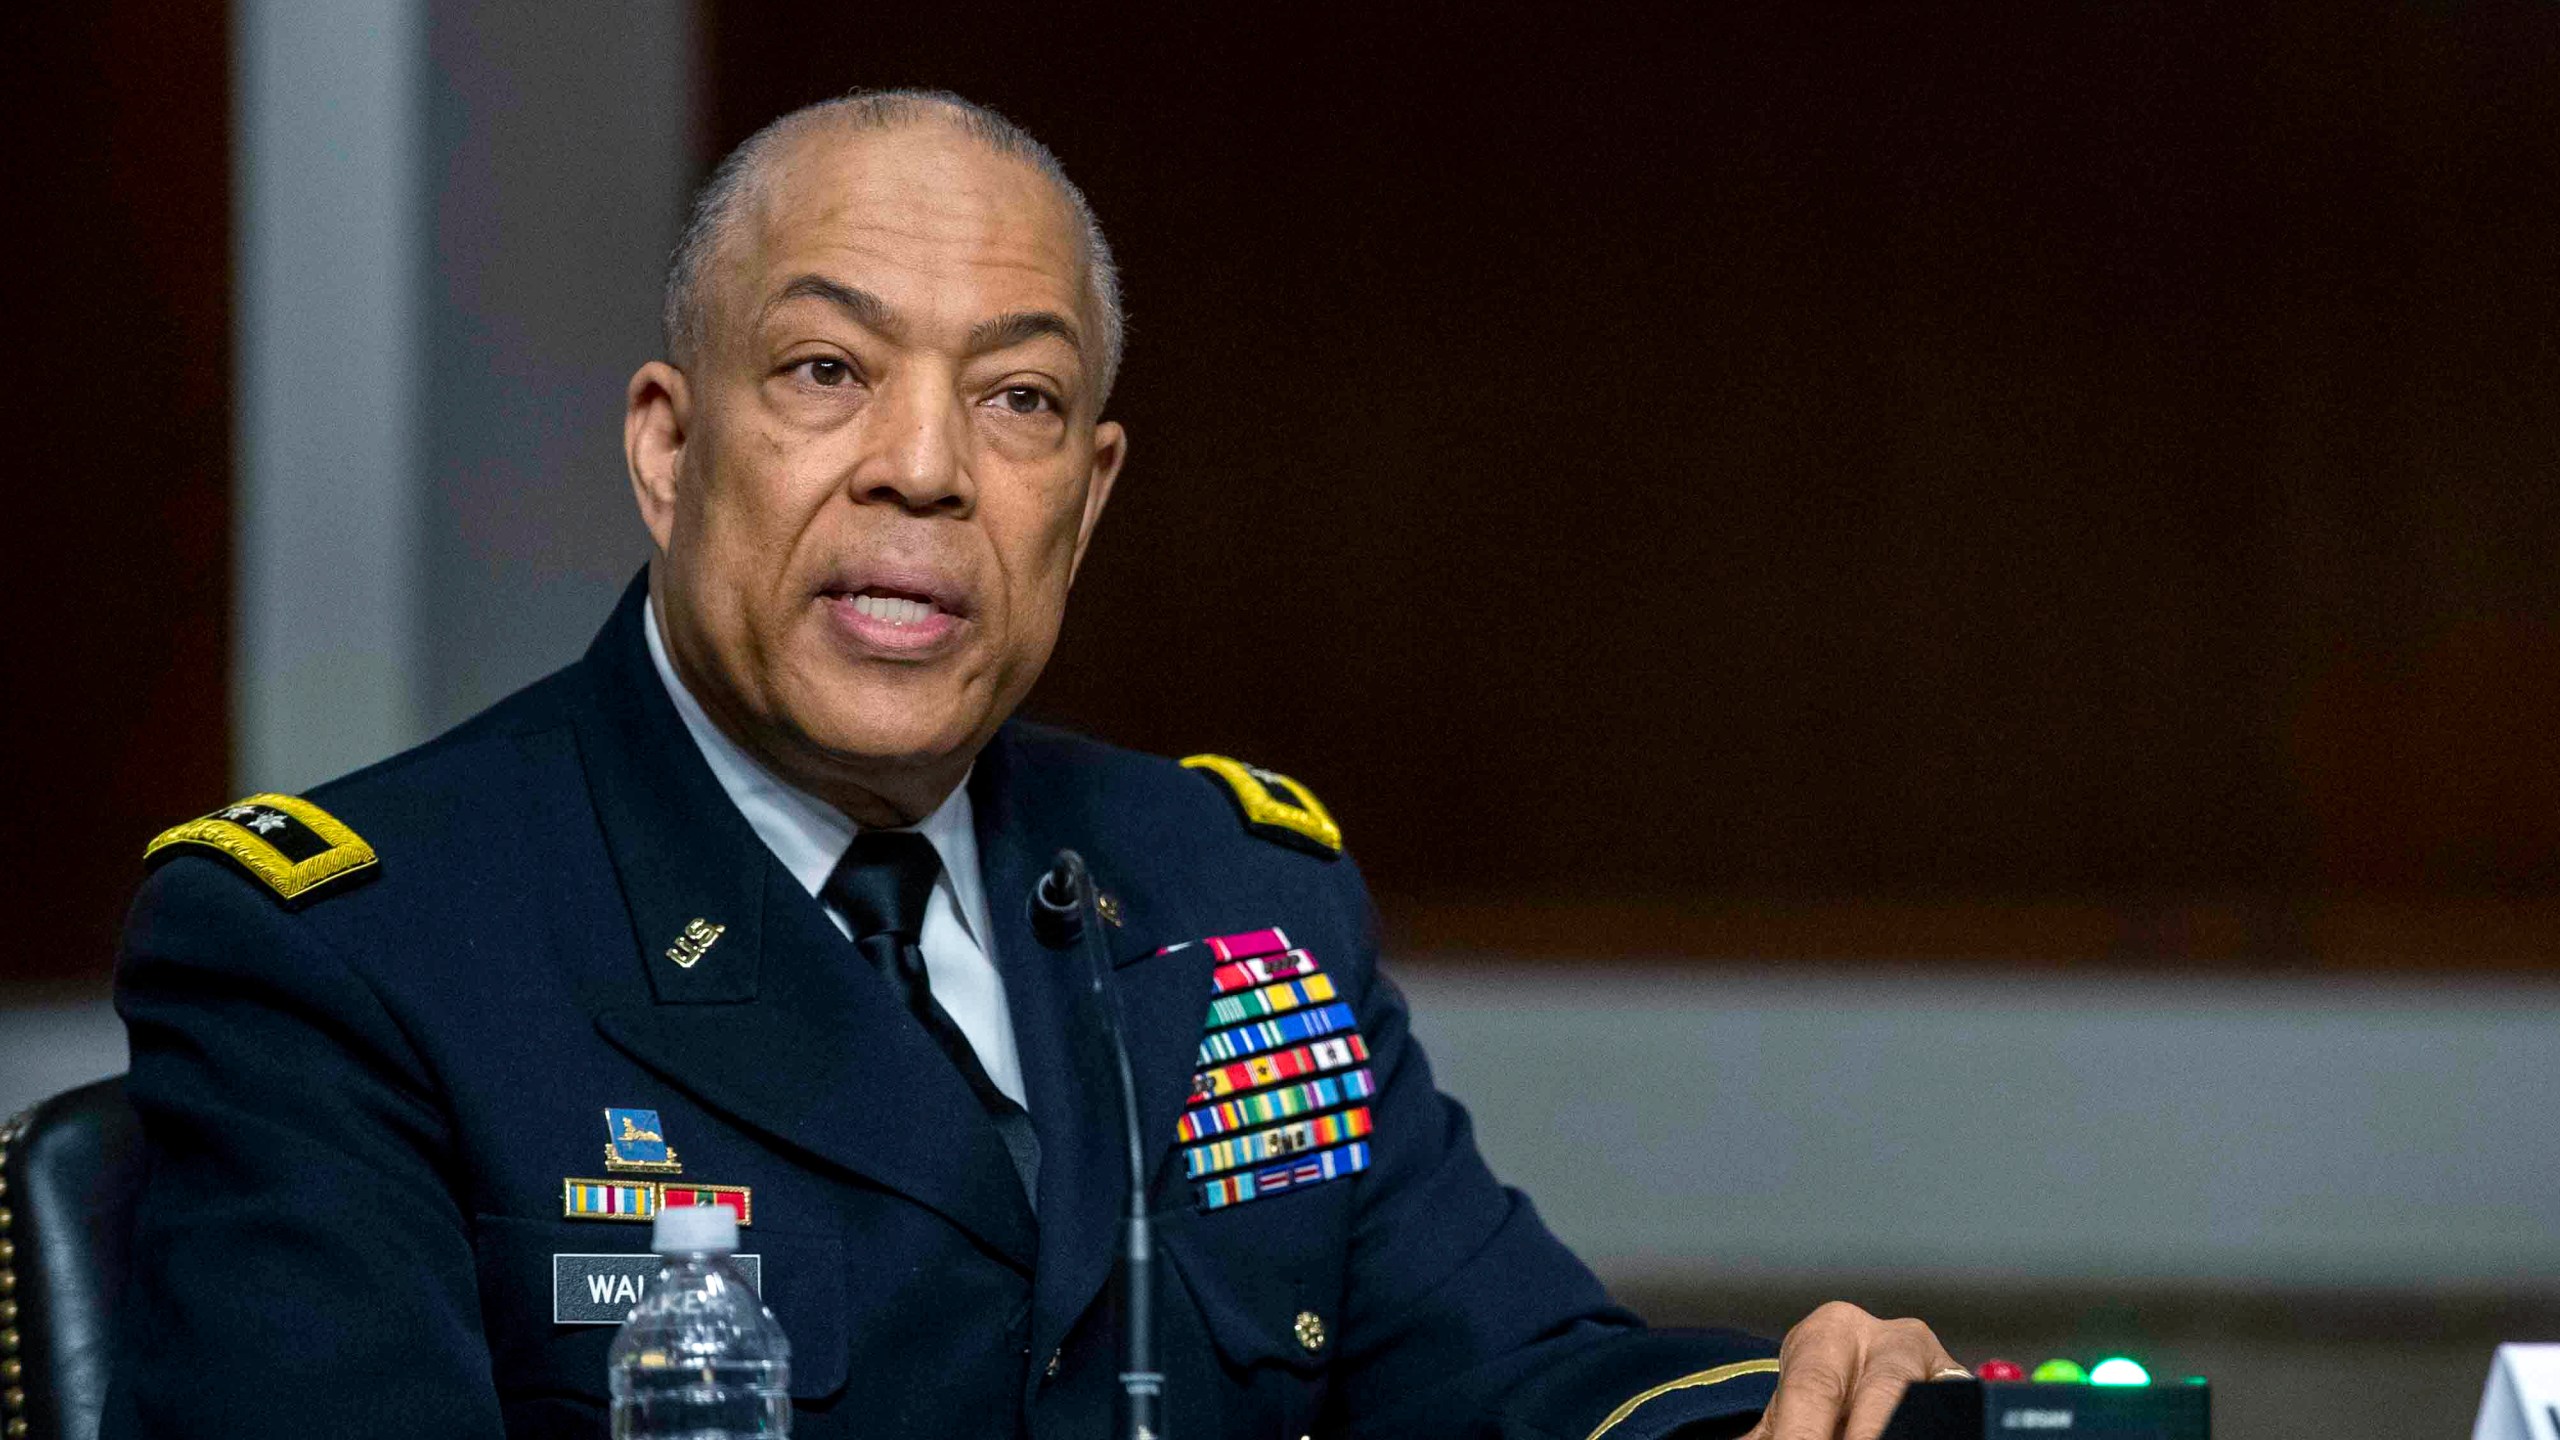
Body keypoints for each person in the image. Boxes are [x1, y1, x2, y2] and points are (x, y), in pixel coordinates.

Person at [105, 90, 1960, 1440]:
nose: (926, 469)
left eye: (1018, 401)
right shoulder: (353, 951)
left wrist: (1802, 1407)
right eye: (828, 371)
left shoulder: (1229, 896)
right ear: (669, 451)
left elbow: (1505, 1377)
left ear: (1086, 499)